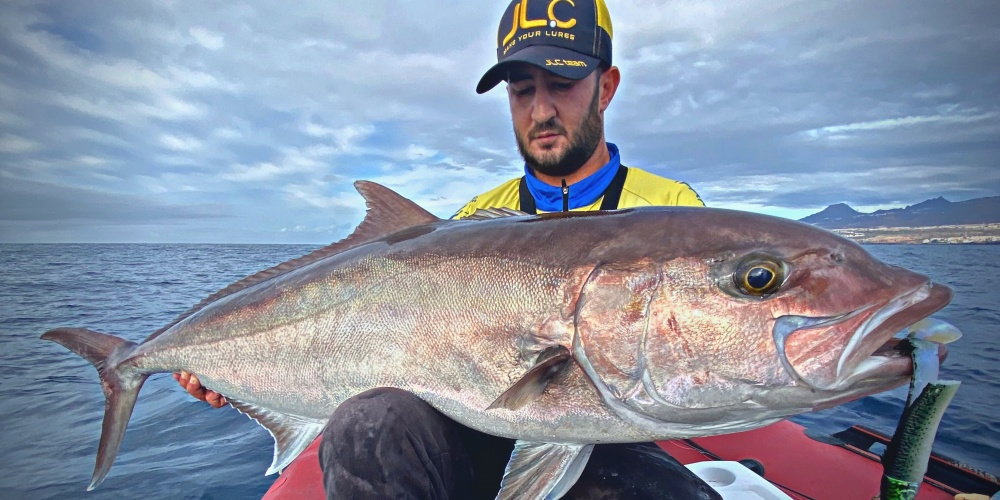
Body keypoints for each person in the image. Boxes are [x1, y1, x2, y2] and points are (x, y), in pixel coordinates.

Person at [177, 0, 715, 498]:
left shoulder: (674, 211)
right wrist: (233, 368)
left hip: (618, 437)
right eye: (523, 89)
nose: (541, 110)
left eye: (563, 82)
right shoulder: (469, 223)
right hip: (478, 423)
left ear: (607, 85)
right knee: (367, 425)